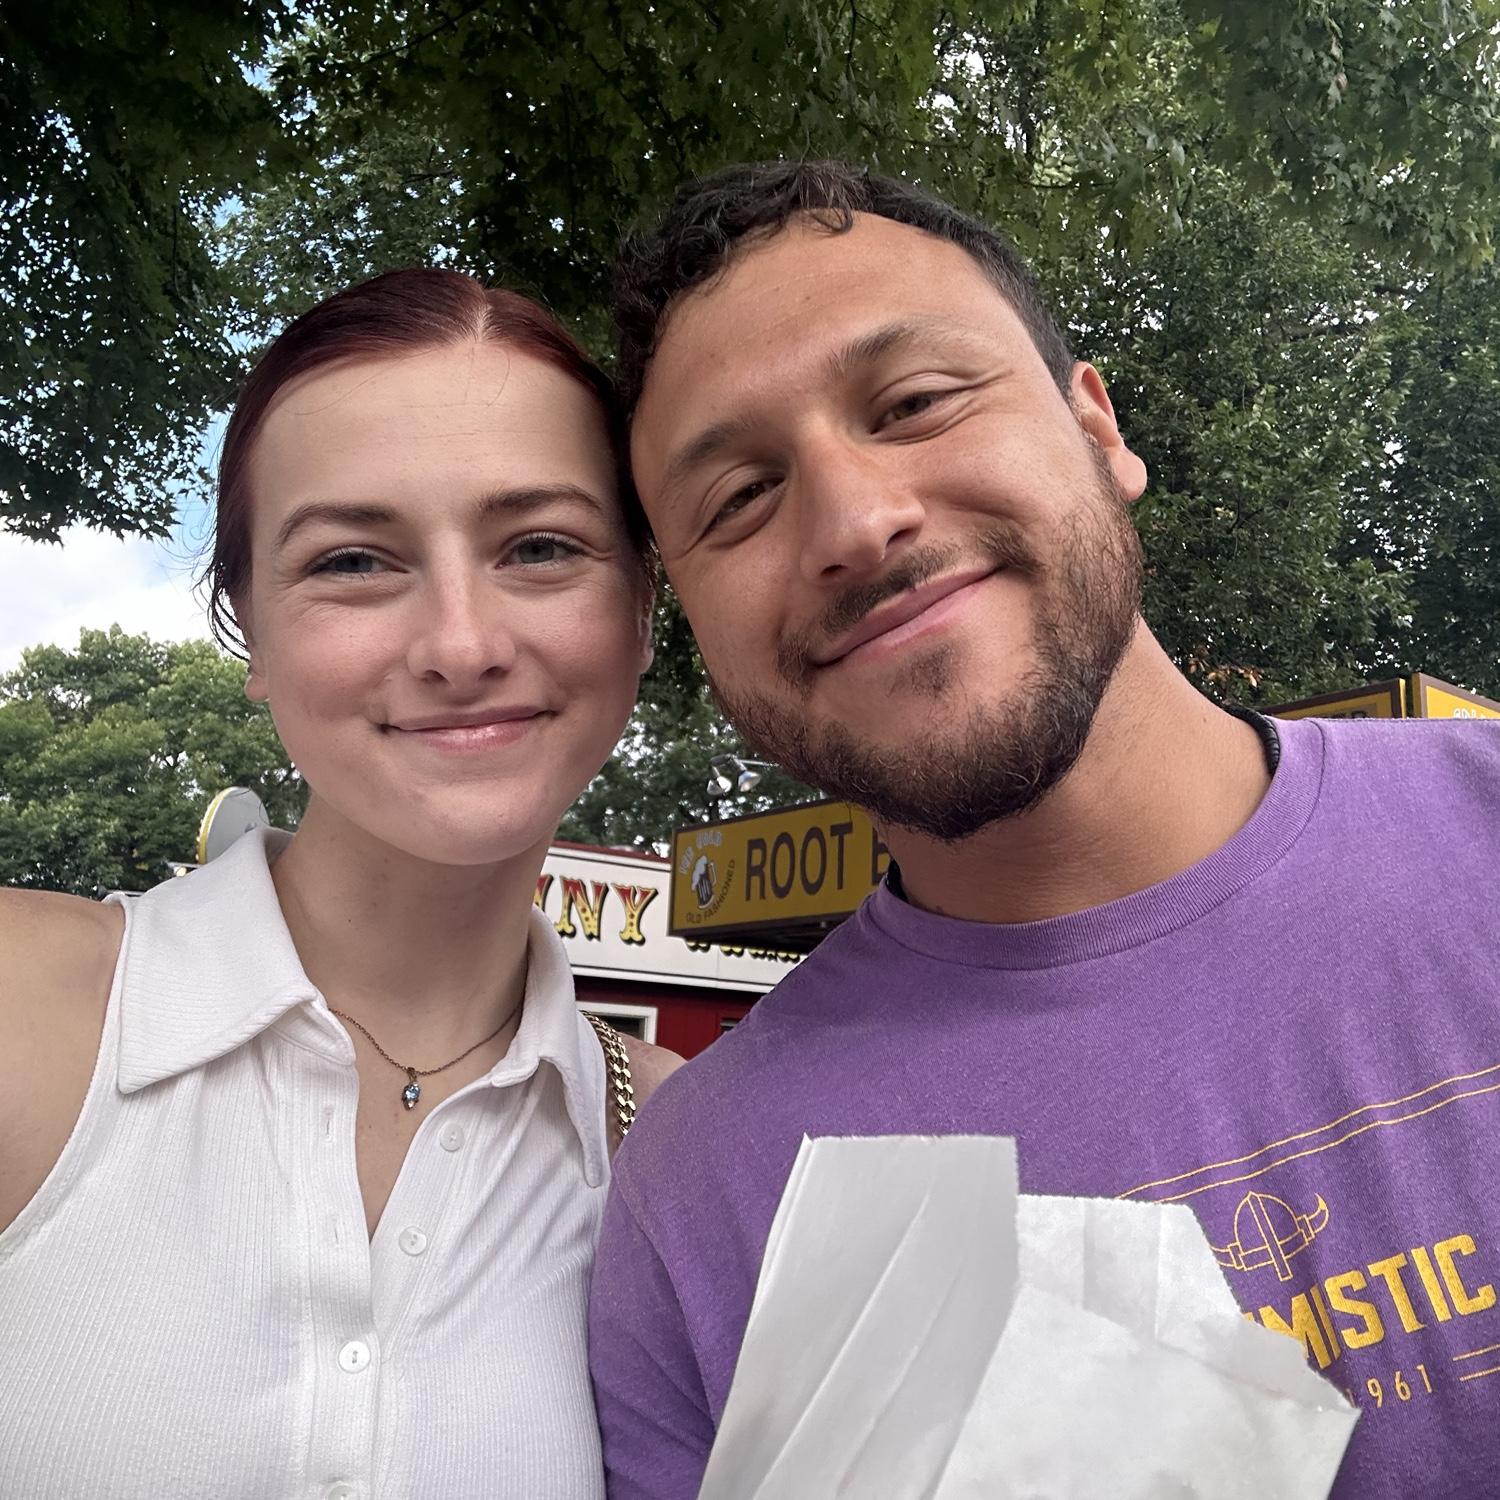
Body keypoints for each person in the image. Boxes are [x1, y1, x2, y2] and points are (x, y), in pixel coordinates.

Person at [587, 161, 1500, 1500]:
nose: (854, 522)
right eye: (737, 500)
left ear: (1097, 428)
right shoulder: (701, 1213)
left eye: (912, 403)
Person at [0, 267, 680, 1498]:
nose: (462, 646)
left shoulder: (680, 1141)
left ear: (641, 608)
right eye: (356, 562)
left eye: (540, 547)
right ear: (250, 630)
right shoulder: (24, 1010)